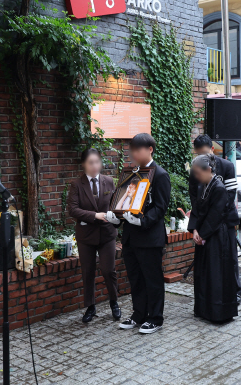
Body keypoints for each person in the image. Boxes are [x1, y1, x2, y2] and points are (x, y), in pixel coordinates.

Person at [118, 133, 171, 334]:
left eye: (138, 150)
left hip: (150, 237)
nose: (134, 154)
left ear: (149, 149)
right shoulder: (132, 173)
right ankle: (139, 314)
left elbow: (160, 207)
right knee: (136, 278)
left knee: (153, 279)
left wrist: (142, 221)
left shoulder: (160, 174)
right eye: (132, 150)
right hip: (131, 236)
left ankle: (156, 318)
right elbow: (125, 200)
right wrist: (118, 216)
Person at [66, 148, 121, 323]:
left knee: (108, 270)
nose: (94, 166)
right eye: (90, 163)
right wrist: (94, 216)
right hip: (86, 236)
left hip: (107, 234)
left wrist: (116, 217)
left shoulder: (109, 181)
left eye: (97, 162)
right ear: (83, 164)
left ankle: (114, 302)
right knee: (88, 271)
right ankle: (90, 307)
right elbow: (72, 210)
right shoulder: (76, 184)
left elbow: (115, 204)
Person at [188, 134, 241, 303]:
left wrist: (216, 220)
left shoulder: (226, 166)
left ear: (212, 149)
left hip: (224, 221)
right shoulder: (195, 168)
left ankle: (235, 292)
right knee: (206, 264)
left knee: (230, 259)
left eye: (203, 152)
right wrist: (196, 226)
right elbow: (194, 198)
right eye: (198, 154)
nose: (201, 156)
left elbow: (230, 196)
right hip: (205, 222)